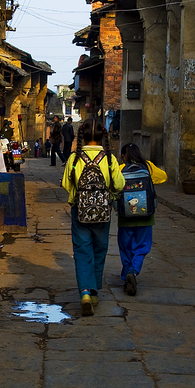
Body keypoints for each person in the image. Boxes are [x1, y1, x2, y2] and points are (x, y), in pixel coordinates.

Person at [61, 118, 125, 317]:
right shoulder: (109, 158)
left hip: (79, 210)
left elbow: (66, 184)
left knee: (82, 251)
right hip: (103, 213)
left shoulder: (74, 158)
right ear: (102, 136)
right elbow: (119, 184)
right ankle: (95, 291)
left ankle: (85, 293)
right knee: (99, 249)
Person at [117, 143, 167, 296]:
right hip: (146, 216)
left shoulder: (120, 169)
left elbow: (112, 184)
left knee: (125, 246)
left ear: (124, 156)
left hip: (125, 216)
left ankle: (127, 274)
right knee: (142, 246)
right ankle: (134, 270)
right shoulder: (148, 167)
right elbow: (163, 177)